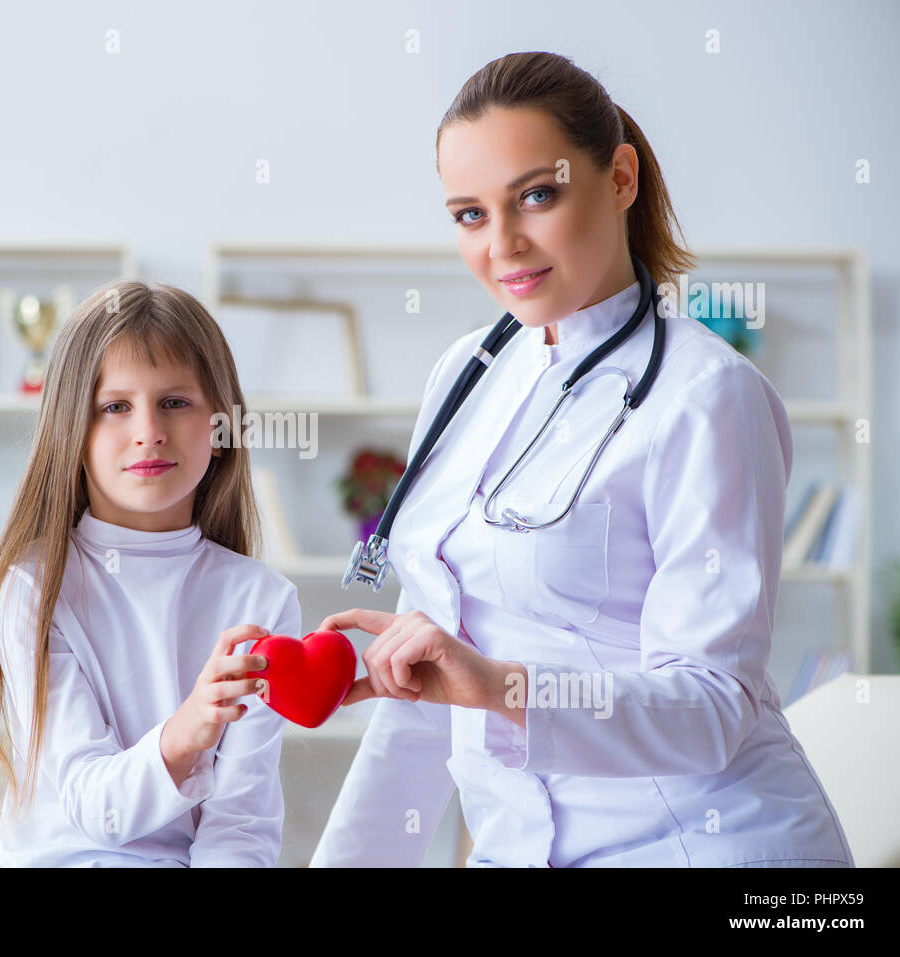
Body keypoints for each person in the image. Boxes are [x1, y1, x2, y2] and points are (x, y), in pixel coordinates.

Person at [311, 51, 854, 868]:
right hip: (520, 847)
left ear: (621, 178)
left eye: (537, 195)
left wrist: (499, 685)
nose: (504, 244)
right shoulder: (466, 374)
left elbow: (711, 706)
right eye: (469, 214)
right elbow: (430, 694)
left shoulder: (708, 396)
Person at [0, 280, 300, 867]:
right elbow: (95, 809)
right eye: (115, 407)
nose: (148, 430)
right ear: (74, 430)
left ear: (219, 429)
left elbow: (240, 829)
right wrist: (188, 729)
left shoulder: (262, 601)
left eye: (175, 402)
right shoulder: (34, 587)